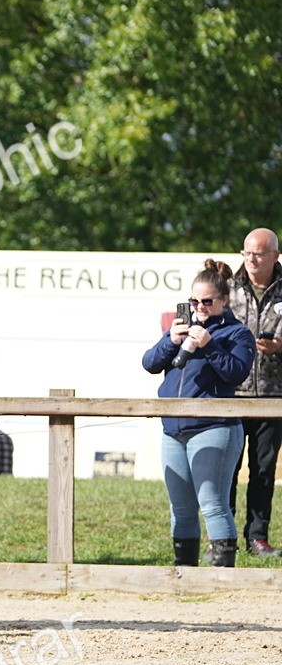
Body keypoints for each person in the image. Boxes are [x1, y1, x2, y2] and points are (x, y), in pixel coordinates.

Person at [142, 259, 254, 567]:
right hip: (173, 429)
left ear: (223, 300)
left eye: (207, 301)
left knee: (213, 504)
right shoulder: (181, 329)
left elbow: (236, 373)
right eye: (194, 301)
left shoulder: (237, 333)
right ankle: (185, 574)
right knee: (181, 508)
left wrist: (208, 347)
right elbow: (149, 363)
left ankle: (221, 576)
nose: (200, 307)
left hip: (213, 427)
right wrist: (170, 341)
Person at [227, 227, 282, 557]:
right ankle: (224, 537)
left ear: (275, 255)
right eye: (247, 253)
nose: (252, 259)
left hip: (274, 396)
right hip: (232, 394)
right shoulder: (227, 288)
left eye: (259, 253)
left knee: (263, 470)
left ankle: (258, 538)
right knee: (227, 471)